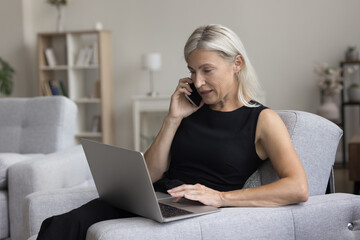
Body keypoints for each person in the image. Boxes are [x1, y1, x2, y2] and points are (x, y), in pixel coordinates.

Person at [37, 24, 308, 240]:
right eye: (192, 71)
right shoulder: (190, 110)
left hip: (195, 208)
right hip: (156, 197)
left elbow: (297, 187)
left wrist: (221, 197)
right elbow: (151, 173)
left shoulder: (262, 119)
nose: (198, 82)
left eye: (207, 70)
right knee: (61, 225)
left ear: (236, 63)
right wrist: (173, 118)